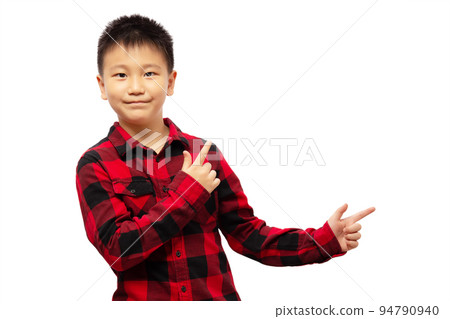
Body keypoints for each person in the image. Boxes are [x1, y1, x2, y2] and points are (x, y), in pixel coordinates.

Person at [75, 14, 375, 301]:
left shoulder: (205, 156)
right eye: (121, 75)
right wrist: (188, 190)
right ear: (103, 85)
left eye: (149, 73)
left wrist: (322, 240)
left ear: (170, 82)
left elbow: (248, 235)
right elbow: (119, 250)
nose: (137, 87)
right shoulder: (95, 164)